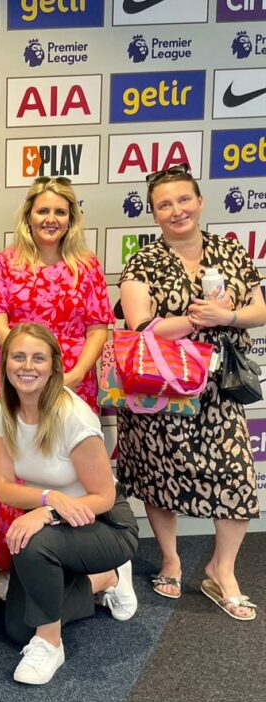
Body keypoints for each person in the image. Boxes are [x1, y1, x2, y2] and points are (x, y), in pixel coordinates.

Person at [118, 164, 265, 620]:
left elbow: (259, 308)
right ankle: (171, 559)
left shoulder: (231, 251)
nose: (176, 210)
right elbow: (140, 325)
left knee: (237, 478)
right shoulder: (143, 261)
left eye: (184, 200)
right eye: (165, 204)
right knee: (160, 477)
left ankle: (222, 571)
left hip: (220, 388)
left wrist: (231, 318)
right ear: (154, 213)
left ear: (200, 202)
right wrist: (198, 320)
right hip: (164, 389)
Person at [0, 177, 113, 600]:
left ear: (71, 218)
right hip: (17, 378)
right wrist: (28, 361)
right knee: (11, 471)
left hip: (72, 380)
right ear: (28, 216)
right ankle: (5, 563)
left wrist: (69, 376)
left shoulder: (86, 266)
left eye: (59, 211)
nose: (50, 219)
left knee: (71, 472)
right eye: (43, 211)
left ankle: (77, 563)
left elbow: (98, 329)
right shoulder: (4, 263)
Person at [0, 323, 138, 685]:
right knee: (19, 628)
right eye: (18, 357)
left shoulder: (73, 415)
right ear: (5, 362)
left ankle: (51, 645)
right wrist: (48, 501)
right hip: (58, 518)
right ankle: (104, 581)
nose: (27, 366)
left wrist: (47, 512)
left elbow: (103, 497)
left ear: (54, 365)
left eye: (38, 358)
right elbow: (3, 486)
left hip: (106, 523)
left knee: (33, 543)